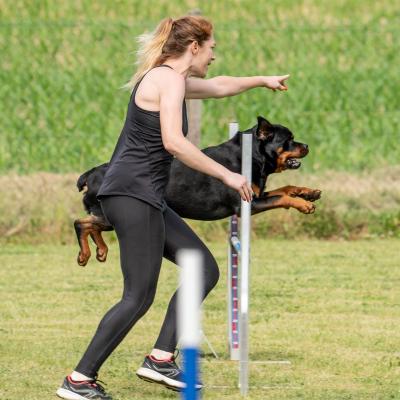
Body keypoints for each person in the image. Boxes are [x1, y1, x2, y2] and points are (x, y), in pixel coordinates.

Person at [56, 15, 289, 400]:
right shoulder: (166, 80)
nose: (214, 55)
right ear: (194, 46)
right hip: (132, 194)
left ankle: (161, 358)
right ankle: (80, 380)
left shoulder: (172, 80)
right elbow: (175, 143)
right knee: (137, 297)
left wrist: (262, 80)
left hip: (143, 195)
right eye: (211, 48)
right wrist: (228, 175)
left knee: (203, 269)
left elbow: (219, 86)